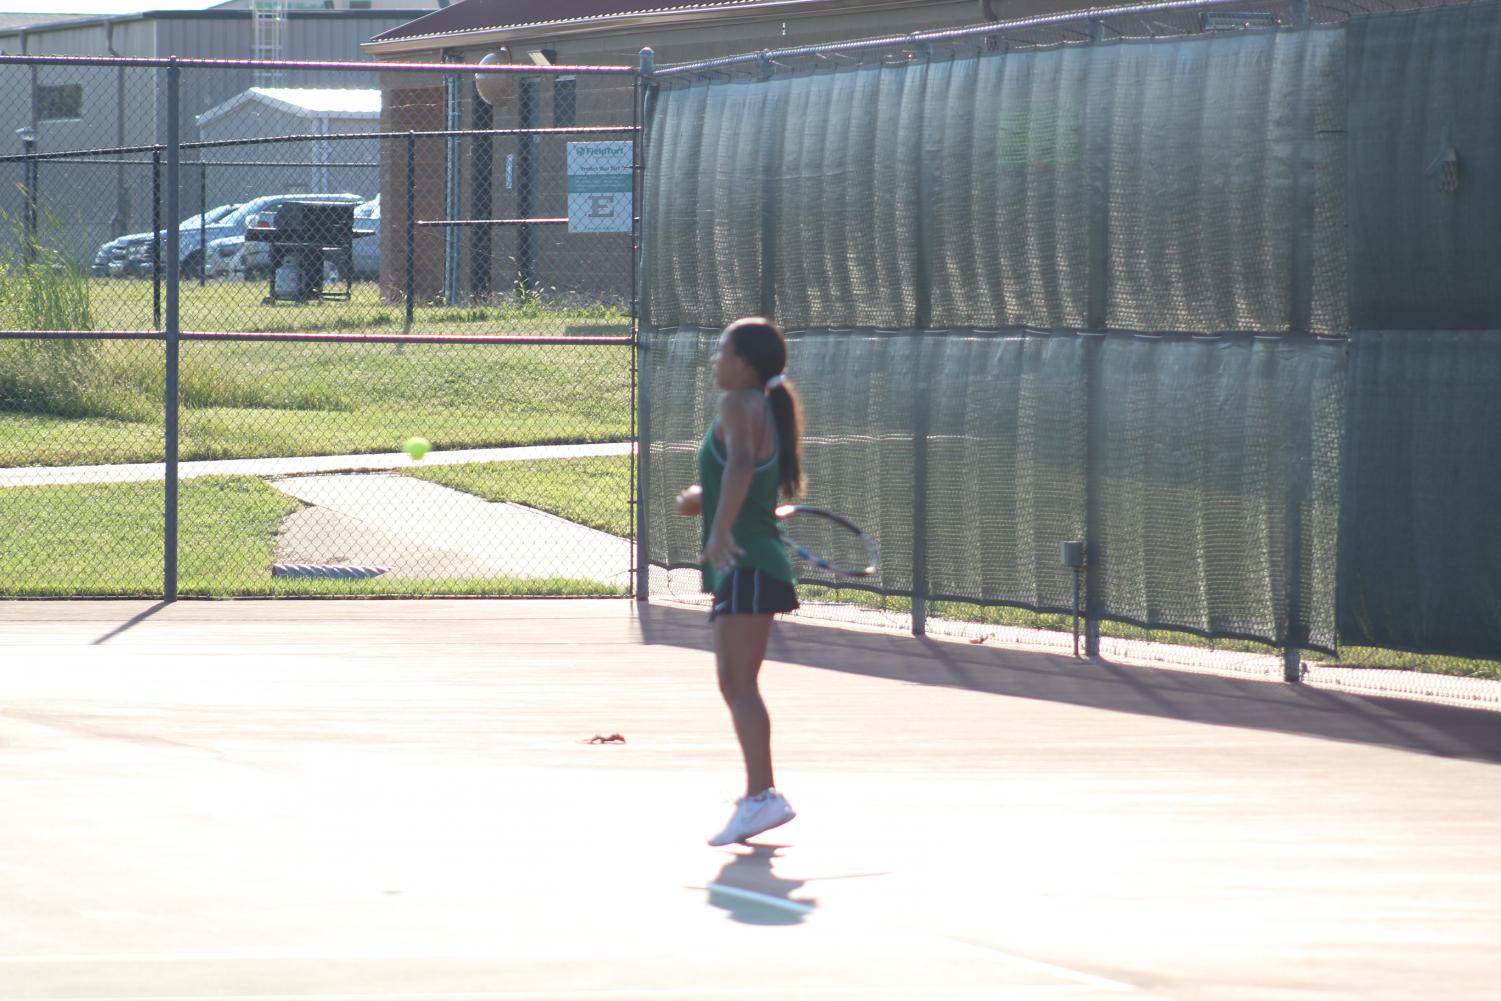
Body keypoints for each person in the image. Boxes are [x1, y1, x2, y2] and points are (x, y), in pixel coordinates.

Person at [675, 317, 805, 847]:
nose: (715, 360)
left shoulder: (738, 404)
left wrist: (721, 528)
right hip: (752, 563)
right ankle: (759, 794)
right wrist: (703, 501)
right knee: (736, 684)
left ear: (745, 363)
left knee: (738, 685)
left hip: (747, 562)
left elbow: (743, 468)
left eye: (722, 351)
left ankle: (761, 797)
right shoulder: (759, 407)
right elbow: (741, 474)